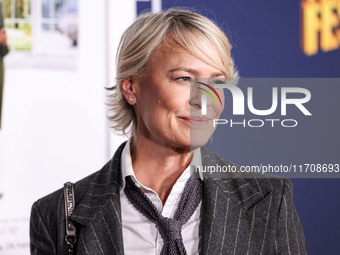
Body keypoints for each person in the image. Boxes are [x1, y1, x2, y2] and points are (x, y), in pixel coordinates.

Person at [30, 9, 306, 255]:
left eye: (217, 82)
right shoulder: (56, 215)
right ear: (131, 87)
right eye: (185, 78)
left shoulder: (269, 200)